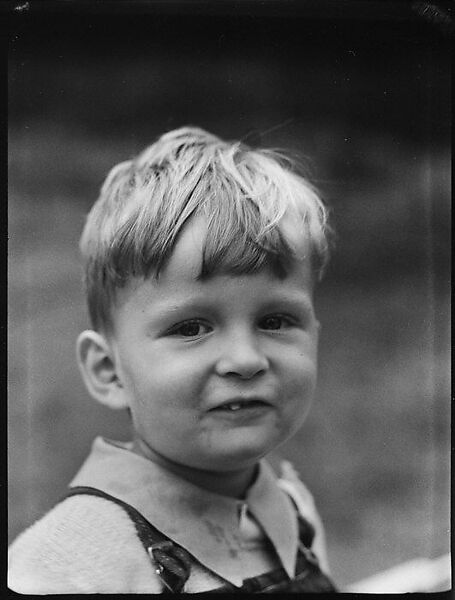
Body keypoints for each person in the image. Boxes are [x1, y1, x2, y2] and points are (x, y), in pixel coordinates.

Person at [8, 127, 337, 593]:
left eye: (276, 320)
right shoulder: (69, 564)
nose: (245, 360)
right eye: (191, 328)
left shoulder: (293, 511)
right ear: (108, 370)